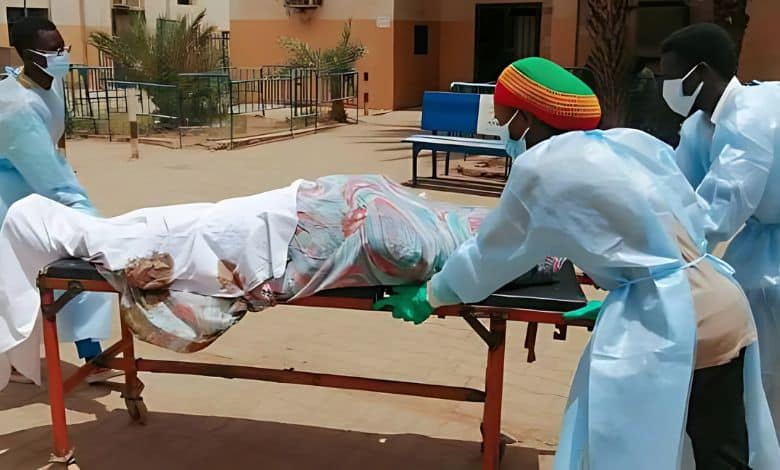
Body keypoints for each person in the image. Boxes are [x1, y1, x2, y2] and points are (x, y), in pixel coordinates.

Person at [374, 57, 780, 468]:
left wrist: (433, 294)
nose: (502, 132)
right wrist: (629, 293)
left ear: (525, 118)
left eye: (502, 119)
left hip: (676, 322)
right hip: (722, 303)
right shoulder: (631, 143)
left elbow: (489, 256)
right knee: (722, 453)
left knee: (632, 452)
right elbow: (679, 232)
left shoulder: (542, 168)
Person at [659, 23, 780, 437]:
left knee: (768, 374)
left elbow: (719, 209)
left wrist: (656, 265)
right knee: (755, 367)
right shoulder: (700, 126)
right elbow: (676, 194)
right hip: (760, 248)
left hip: (770, 253)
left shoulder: (749, 116)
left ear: (701, 73)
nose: (666, 87)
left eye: (671, 76)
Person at [0, 17, 116, 384]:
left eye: (63, 46)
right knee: (26, 276)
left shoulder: (48, 83)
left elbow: (51, 154)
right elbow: (48, 176)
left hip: (35, 181)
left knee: (63, 268)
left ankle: (90, 352)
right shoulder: (16, 107)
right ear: (27, 54)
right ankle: (22, 359)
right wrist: (83, 211)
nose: (61, 55)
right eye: (52, 50)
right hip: (10, 195)